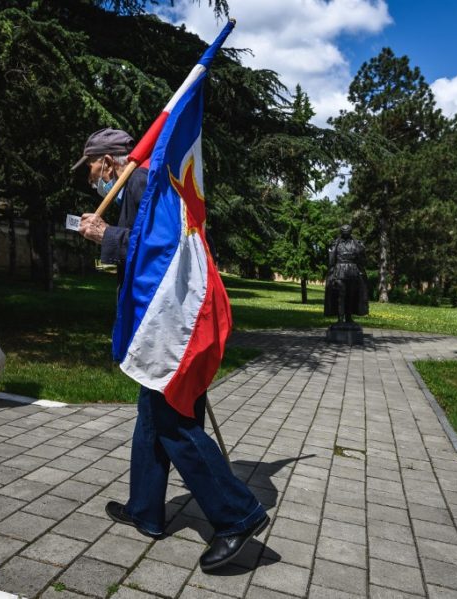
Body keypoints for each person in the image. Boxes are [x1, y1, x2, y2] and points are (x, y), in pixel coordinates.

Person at [75, 128, 269, 572]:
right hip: (169, 322)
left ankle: (237, 515)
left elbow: (166, 250)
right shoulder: (145, 182)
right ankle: (146, 510)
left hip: (173, 325)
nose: (89, 175)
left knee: (173, 424)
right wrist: (109, 235)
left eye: (90, 165)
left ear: (107, 161)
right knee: (153, 415)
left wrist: (104, 233)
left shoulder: (143, 181)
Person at [324, 223, 369, 323]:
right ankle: (340, 318)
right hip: (340, 270)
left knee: (351, 296)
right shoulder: (336, 243)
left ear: (350, 232)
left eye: (347, 232)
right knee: (341, 295)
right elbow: (331, 259)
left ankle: (348, 317)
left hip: (353, 271)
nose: (345, 234)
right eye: (343, 232)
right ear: (341, 233)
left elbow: (362, 259)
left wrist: (362, 250)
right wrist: (332, 272)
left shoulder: (356, 243)